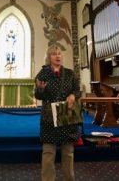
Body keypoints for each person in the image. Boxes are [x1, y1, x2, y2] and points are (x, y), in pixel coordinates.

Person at [34, 44, 81, 181]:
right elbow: (38, 96)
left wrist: (73, 96)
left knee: (68, 152)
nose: (58, 56)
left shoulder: (70, 73)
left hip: (66, 114)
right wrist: (41, 89)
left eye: (59, 53)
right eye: (54, 54)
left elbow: (77, 91)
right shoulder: (43, 74)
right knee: (48, 152)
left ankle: (69, 178)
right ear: (49, 57)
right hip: (49, 117)